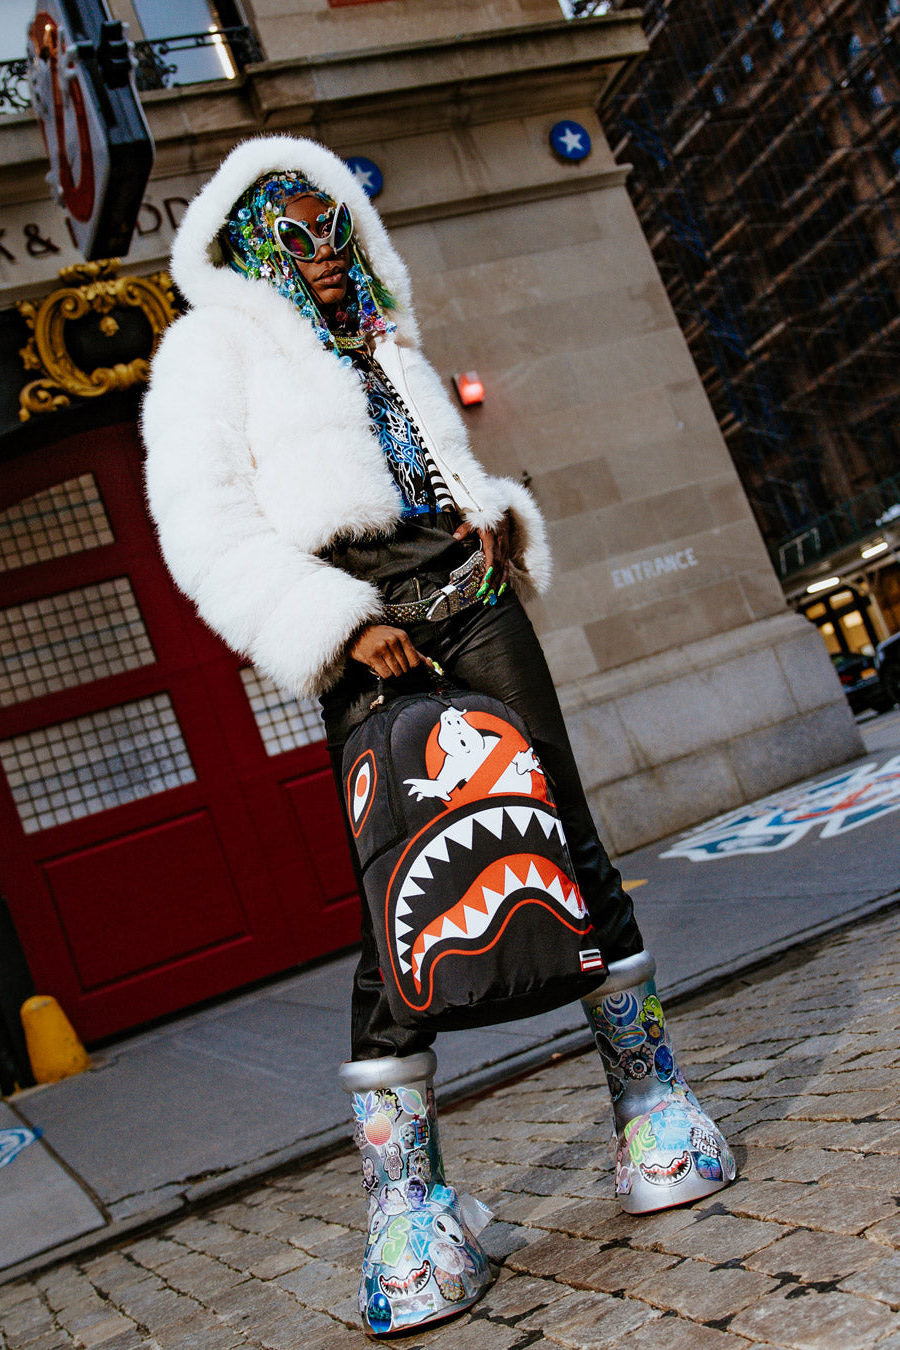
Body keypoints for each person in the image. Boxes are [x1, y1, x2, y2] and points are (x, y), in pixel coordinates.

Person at [142, 134, 735, 1338]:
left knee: (564, 832)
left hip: (478, 606)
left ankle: (652, 1112)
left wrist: (497, 521)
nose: (321, 252)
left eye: (335, 227)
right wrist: (332, 625)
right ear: (251, 239)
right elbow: (199, 522)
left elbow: (444, 461)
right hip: (367, 630)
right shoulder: (211, 349)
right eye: (296, 233)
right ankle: (407, 1210)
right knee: (401, 883)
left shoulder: (381, 333)